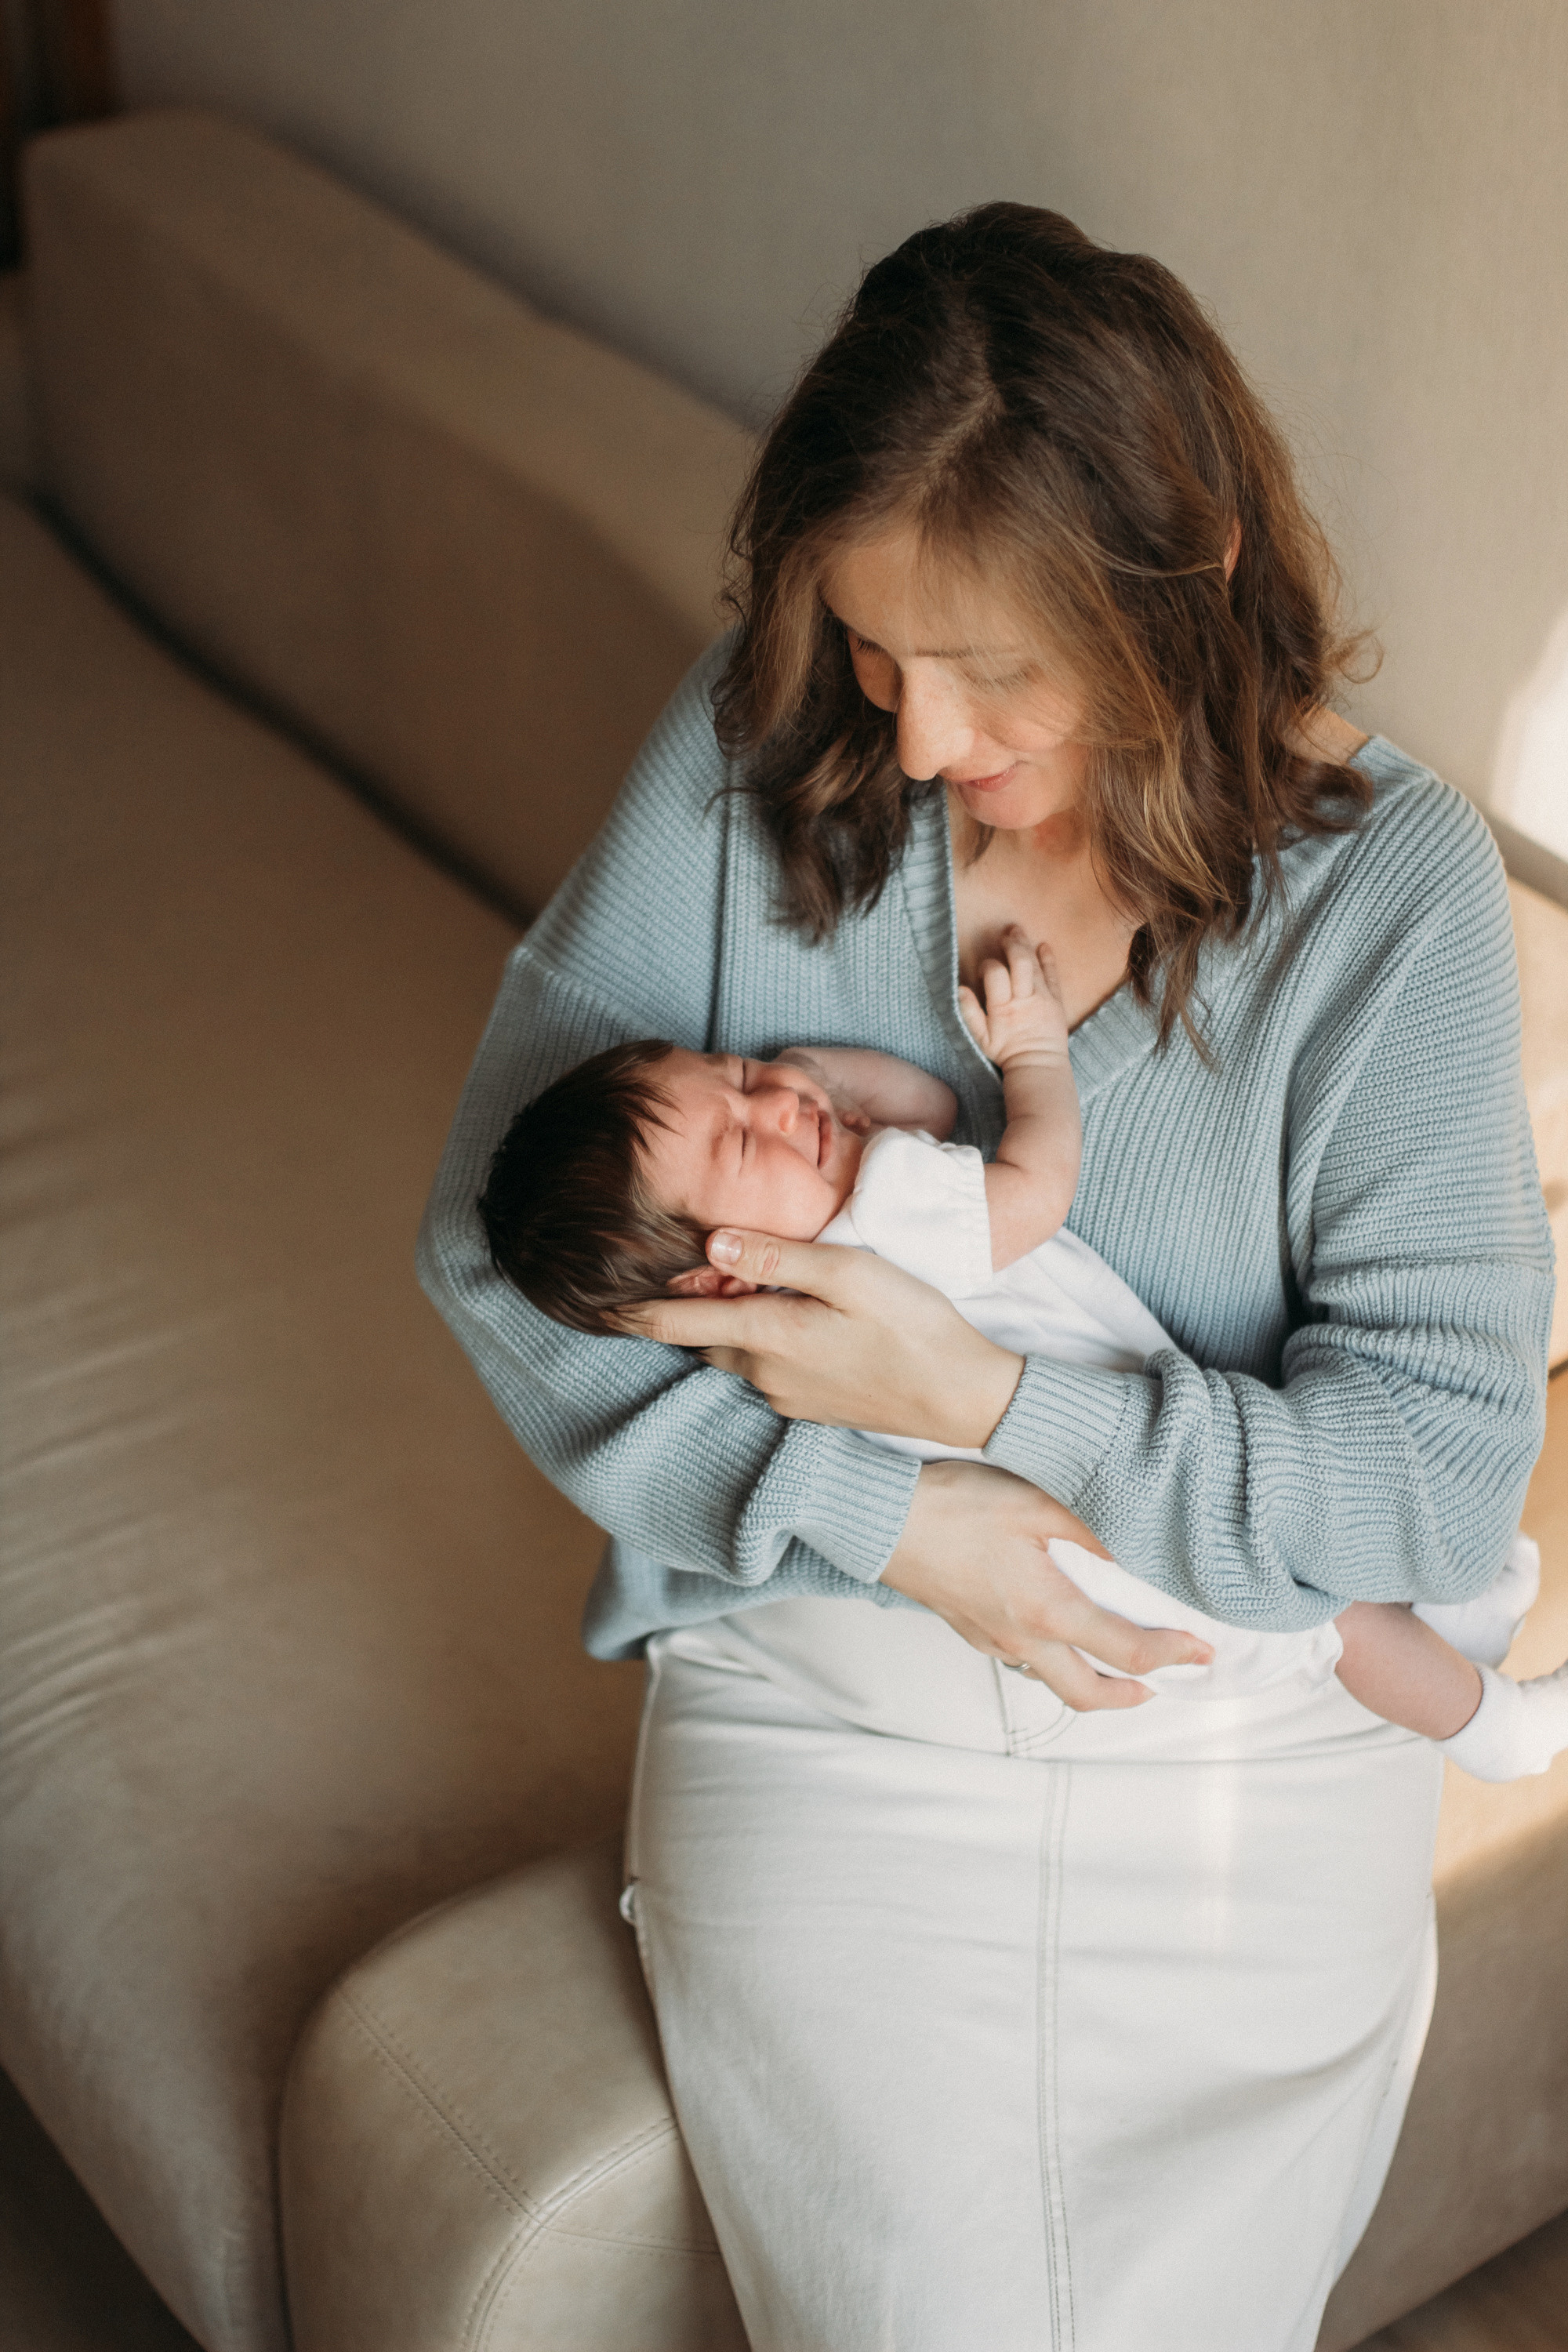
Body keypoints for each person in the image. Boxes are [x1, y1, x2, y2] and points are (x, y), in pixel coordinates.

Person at [420, 201, 1553, 2350]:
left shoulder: (1381, 891)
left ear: (1182, 576)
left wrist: (987, 1404)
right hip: (827, 1698)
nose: (919, 735)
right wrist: (894, 1514)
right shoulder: (771, 761)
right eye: (873, 647)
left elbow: (1423, 1493)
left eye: (992, 671)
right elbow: (495, 1246)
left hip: (1244, 1739)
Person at [475, 935, 1563, 1780]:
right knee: (1339, 1621)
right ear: (722, 1266)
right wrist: (1035, 1054)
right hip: (1133, 1509)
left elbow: (922, 1113)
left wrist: (810, 1089)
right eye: (744, 1138)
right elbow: (1023, 1179)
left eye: (742, 1071)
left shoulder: (759, 1343)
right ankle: (1499, 1732)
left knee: (1344, 1609)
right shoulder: (882, 1216)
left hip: (1064, 1545)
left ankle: (1469, 1623)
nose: (778, 1100)